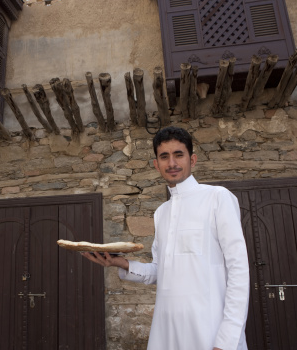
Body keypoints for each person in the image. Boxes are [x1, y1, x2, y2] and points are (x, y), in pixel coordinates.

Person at [82, 126, 249, 350]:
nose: (172, 163)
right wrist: (120, 263)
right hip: (167, 333)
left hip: (210, 331)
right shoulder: (161, 213)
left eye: (178, 155)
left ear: (193, 159)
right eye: (164, 156)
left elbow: (239, 269)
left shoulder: (217, 198)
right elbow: (161, 271)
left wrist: (227, 339)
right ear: (156, 164)